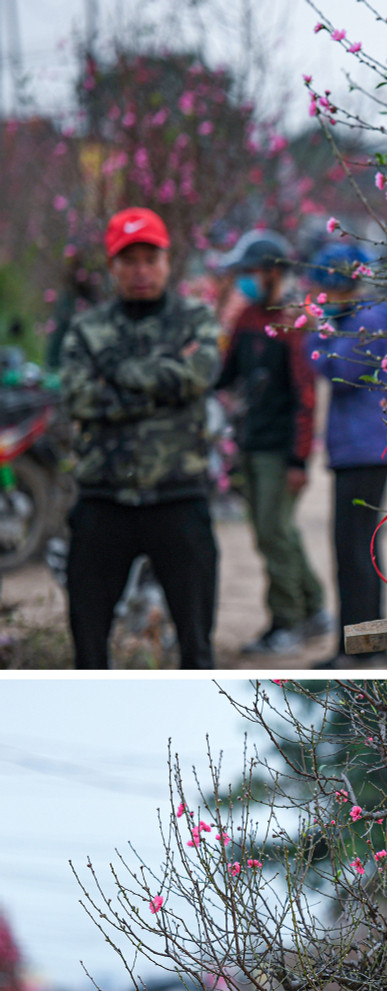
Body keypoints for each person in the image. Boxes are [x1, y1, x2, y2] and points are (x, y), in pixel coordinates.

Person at [57, 207, 224, 669]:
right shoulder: (88, 328)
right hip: (103, 501)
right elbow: (78, 398)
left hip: (179, 497)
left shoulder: (195, 319)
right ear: (113, 266)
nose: (141, 271)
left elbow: (197, 377)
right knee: (88, 647)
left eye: (150, 259)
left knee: (197, 646)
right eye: (129, 261)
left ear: (167, 261)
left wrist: (115, 372)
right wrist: (163, 387)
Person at [214, 228, 330, 656]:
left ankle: (287, 622)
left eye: (250, 272)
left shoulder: (294, 323)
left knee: (274, 534)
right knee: (275, 532)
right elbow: (226, 374)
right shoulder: (246, 317)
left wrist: (298, 459)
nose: (244, 280)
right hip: (251, 442)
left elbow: (305, 397)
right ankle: (313, 608)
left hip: (281, 452)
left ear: (273, 273)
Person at [303, 242, 387, 666]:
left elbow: (341, 371)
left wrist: (317, 329)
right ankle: (359, 645)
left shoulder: (370, 320)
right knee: (352, 550)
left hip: (366, 449)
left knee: (356, 551)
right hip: (354, 449)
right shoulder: (355, 319)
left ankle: (364, 649)